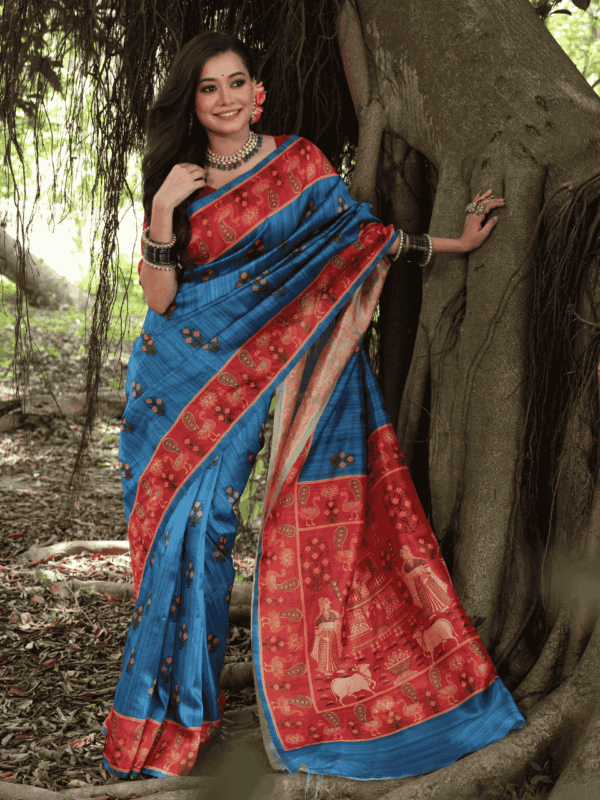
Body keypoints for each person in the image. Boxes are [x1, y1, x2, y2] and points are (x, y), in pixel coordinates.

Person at [101, 31, 525, 781]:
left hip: (271, 365)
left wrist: (454, 244)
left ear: (258, 93)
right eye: (210, 88)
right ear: (192, 102)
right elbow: (162, 299)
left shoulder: (300, 163)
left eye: (237, 83)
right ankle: (169, 721)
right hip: (178, 383)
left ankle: (270, 706)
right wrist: (164, 210)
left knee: (220, 525)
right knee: (189, 533)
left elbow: (355, 242)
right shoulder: (181, 177)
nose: (226, 98)